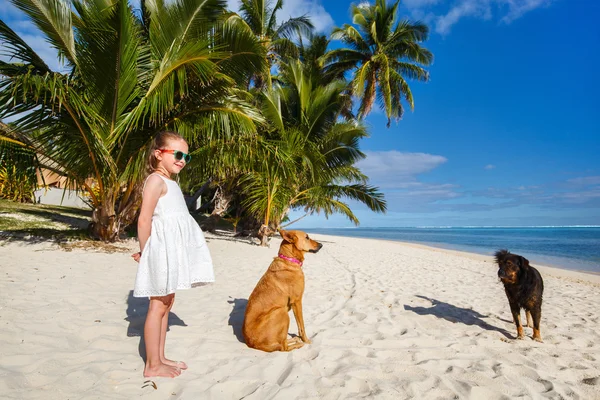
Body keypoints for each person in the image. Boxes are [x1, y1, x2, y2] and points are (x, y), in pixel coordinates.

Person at [132, 131, 215, 378]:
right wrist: (146, 252)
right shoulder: (155, 181)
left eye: (186, 156)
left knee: (168, 303)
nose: (182, 160)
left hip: (171, 252)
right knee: (157, 305)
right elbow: (144, 220)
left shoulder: (172, 183)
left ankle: (160, 356)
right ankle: (152, 365)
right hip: (159, 253)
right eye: (177, 154)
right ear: (158, 154)